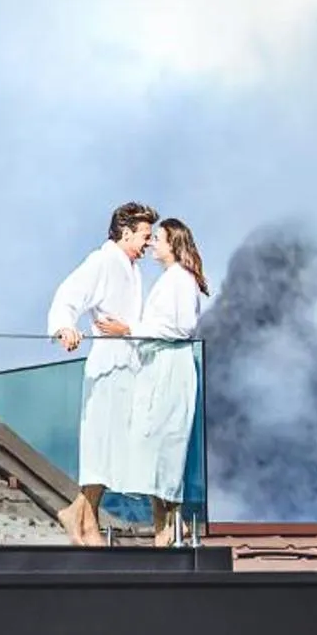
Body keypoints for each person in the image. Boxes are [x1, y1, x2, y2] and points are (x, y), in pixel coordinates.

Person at [46, 201, 156, 546]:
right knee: (101, 445)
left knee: (113, 448)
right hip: (109, 365)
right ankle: (87, 522)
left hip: (126, 365)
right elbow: (69, 294)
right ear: (126, 233)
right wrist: (66, 328)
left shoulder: (130, 268)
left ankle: (78, 513)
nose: (149, 243)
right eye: (145, 236)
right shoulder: (103, 261)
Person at [98, 218, 210, 547]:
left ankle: (170, 524)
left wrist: (129, 330)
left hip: (171, 368)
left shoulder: (181, 280)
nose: (151, 245)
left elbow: (183, 328)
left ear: (173, 244)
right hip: (157, 366)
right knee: (152, 442)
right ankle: (164, 522)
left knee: (165, 443)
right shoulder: (169, 280)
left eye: (157, 239)